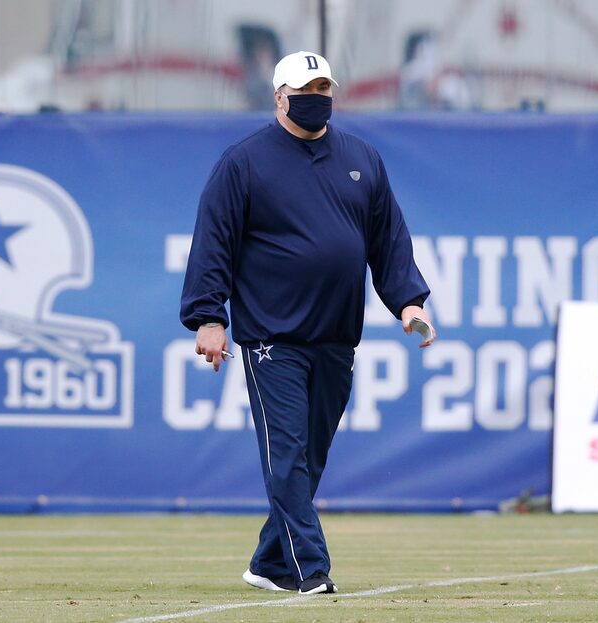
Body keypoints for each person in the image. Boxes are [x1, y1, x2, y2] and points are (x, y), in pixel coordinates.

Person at [180, 50, 435, 595]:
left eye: (324, 87)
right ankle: (310, 569)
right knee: (289, 453)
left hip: (337, 338)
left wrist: (409, 303)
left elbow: (388, 240)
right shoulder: (243, 162)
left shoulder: (361, 157)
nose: (317, 96)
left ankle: (269, 562)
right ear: (279, 96)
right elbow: (213, 244)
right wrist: (208, 317)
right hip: (273, 338)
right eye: (305, 88)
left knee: (308, 457)